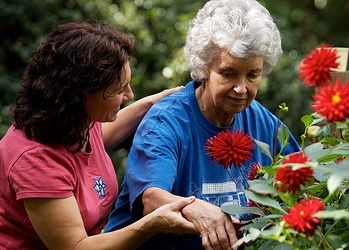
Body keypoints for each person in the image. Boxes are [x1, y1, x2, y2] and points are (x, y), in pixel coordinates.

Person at [104, 0, 301, 249]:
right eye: (228, 73)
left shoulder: (266, 125)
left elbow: (304, 184)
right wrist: (193, 207)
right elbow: (151, 199)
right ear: (204, 67)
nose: (242, 88)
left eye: (253, 74)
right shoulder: (166, 122)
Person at [0, 21, 198, 249]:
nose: (129, 95)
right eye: (118, 89)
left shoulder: (76, 122)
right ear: (81, 93)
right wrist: (150, 224)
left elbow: (101, 136)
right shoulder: (35, 160)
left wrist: (156, 101)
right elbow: (76, 247)